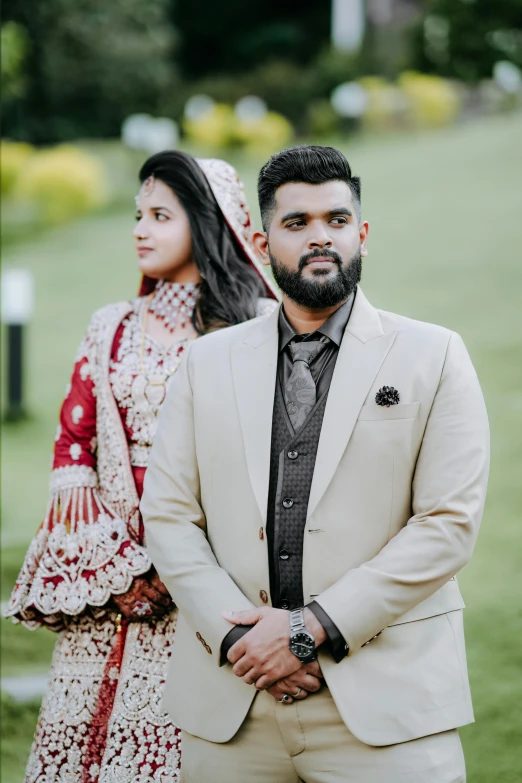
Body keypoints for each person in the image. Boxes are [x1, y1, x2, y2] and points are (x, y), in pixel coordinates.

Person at [141, 145, 490, 782]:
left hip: (387, 708)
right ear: (262, 237)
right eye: (296, 223)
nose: (320, 237)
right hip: (233, 709)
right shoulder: (205, 363)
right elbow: (167, 517)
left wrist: (309, 631)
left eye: (336, 218)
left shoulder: (434, 355)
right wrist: (244, 642)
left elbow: (447, 524)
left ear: (362, 232)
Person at [6, 150, 278, 783]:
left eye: (161, 214)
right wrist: (122, 571)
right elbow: (73, 450)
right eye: (137, 214)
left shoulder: (259, 329)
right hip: (115, 589)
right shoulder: (111, 327)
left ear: (207, 223)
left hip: (211, 589)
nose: (140, 229)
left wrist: (178, 565)